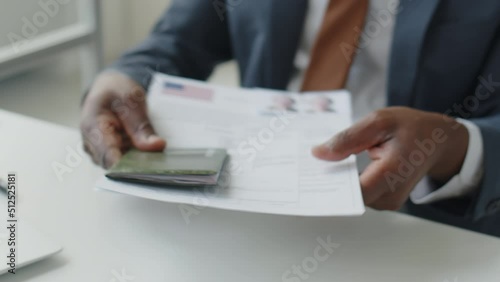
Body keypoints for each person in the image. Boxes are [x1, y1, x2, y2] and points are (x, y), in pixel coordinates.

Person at [80, 0, 500, 236]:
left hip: (431, 228)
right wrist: (119, 79)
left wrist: (453, 147)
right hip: (254, 210)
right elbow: (178, 38)